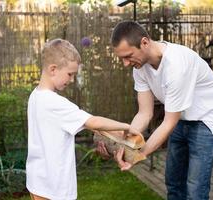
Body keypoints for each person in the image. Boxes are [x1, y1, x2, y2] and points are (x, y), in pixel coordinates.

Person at [107, 20, 213, 200]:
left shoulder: (177, 65)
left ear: (145, 43)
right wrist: (126, 145)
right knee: (174, 183)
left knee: (195, 190)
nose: (125, 63)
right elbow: (144, 113)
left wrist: (137, 155)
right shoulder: (139, 66)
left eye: (128, 56)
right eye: (122, 58)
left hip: (206, 120)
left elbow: (169, 122)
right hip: (181, 119)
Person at [26, 38, 140, 200]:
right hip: (54, 188)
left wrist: (114, 138)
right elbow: (92, 121)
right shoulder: (55, 103)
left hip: (38, 183)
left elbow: (89, 126)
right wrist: (126, 127)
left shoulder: (36, 96)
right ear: (53, 69)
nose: (71, 80)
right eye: (70, 74)